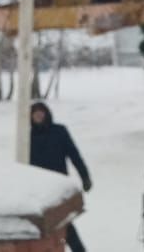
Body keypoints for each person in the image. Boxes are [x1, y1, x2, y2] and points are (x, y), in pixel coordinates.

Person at [30, 101, 91, 252]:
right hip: (36, 188)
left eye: (41, 112)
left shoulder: (59, 131)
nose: (38, 115)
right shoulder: (27, 136)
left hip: (57, 187)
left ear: (46, 114)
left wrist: (85, 176)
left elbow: (74, 155)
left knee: (63, 222)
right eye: (35, 113)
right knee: (42, 225)